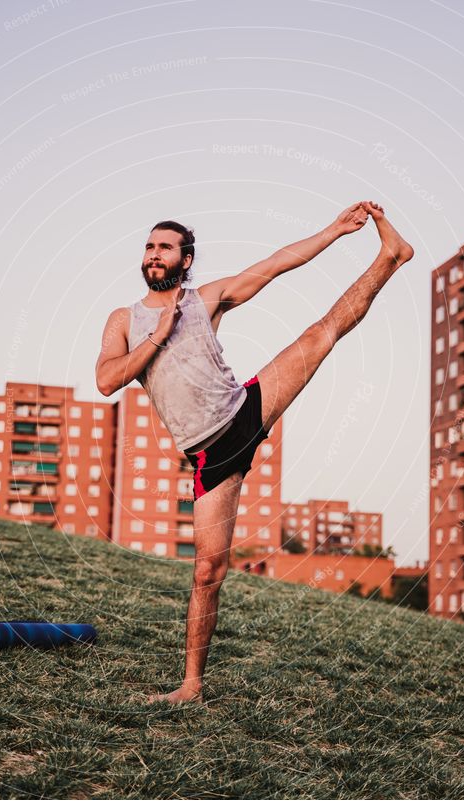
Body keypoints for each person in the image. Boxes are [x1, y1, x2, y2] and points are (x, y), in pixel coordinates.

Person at [95, 201, 414, 704]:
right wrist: (158, 335)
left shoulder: (207, 299)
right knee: (207, 572)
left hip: (243, 409)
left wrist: (333, 229)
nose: (154, 254)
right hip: (208, 458)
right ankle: (192, 685)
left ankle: (390, 257)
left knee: (320, 333)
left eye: (165, 247)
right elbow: (107, 380)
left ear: (185, 259)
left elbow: (276, 263)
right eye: (150, 246)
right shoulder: (123, 319)